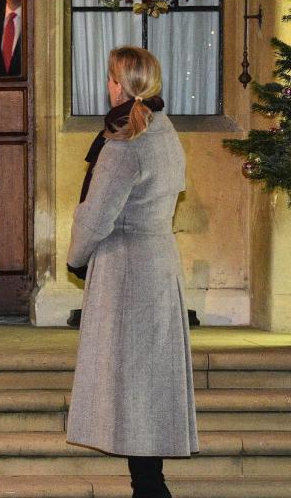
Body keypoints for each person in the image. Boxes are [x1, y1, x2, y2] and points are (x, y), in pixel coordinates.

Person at [65, 47, 198, 497]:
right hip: (159, 259)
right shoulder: (164, 130)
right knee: (148, 377)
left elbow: (96, 214)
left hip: (126, 268)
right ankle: (149, 480)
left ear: (119, 85)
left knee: (131, 380)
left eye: (110, 78)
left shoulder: (124, 142)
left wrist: (76, 258)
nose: (107, 85)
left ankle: (149, 485)